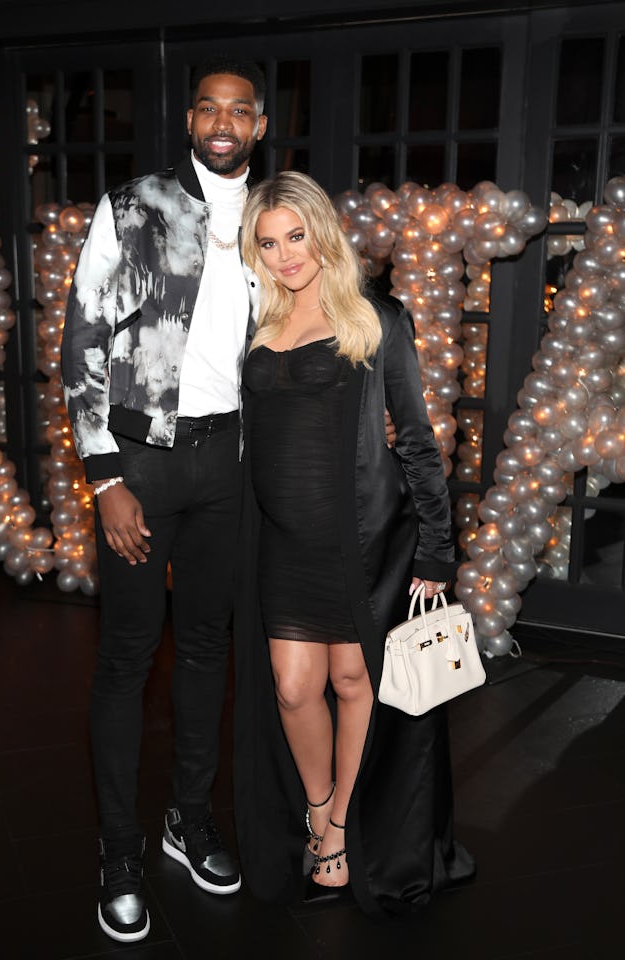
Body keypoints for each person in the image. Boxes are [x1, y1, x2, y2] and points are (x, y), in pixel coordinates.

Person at [59, 57, 269, 943]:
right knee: (126, 658)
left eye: (240, 111)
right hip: (139, 463)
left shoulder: (278, 216)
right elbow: (80, 336)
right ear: (190, 121)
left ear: (258, 124)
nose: (223, 122)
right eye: (208, 109)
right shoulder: (132, 205)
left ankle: (189, 818)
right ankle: (118, 850)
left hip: (231, 464)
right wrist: (103, 476)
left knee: (210, 651)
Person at [233, 171, 475, 917]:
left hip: (363, 541)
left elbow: (421, 447)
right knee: (293, 688)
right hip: (280, 544)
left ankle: (338, 832)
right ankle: (317, 809)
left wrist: (438, 550)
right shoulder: (257, 323)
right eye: (267, 243)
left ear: (322, 233)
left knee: (351, 685)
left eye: (295, 237)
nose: (284, 257)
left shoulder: (377, 320)